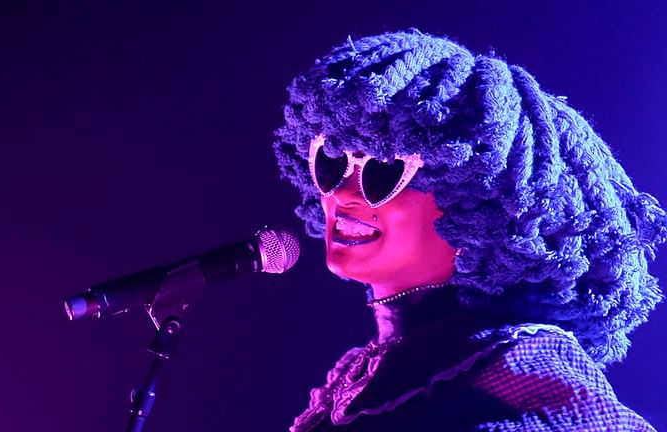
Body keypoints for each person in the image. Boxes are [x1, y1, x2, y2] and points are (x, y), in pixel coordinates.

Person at [273, 28, 666, 431]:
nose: (343, 194)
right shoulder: (360, 376)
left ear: (478, 205)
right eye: (330, 162)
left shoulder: (526, 366)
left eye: (384, 170)